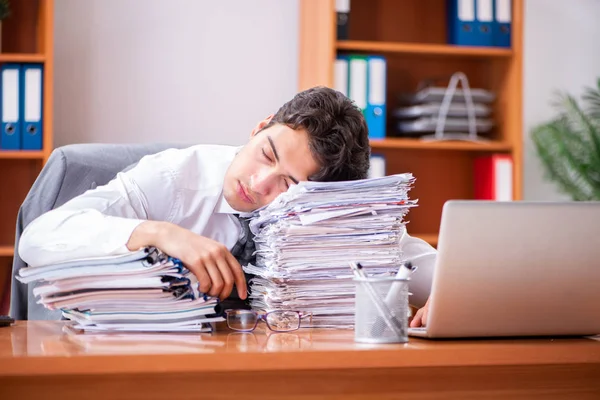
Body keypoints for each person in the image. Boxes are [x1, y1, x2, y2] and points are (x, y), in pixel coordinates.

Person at [18, 86, 436, 324]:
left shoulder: (336, 216)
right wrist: (157, 232)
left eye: (288, 185)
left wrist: (445, 303)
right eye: (266, 153)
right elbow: (37, 238)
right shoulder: (174, 177)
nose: (258, 184)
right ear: (259, 128)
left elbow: (442, 276)